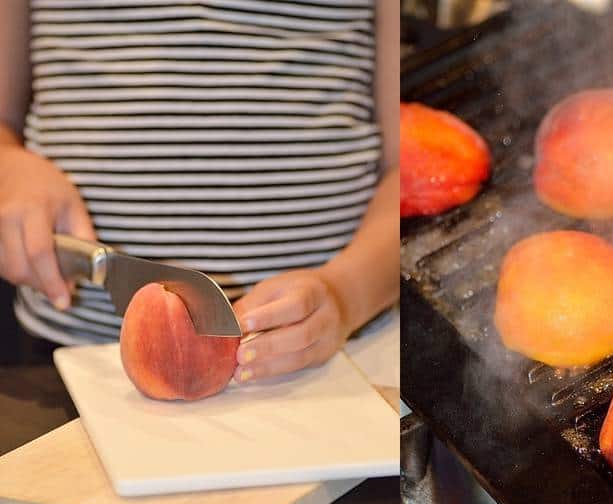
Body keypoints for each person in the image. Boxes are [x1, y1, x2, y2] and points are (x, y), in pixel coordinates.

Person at [0, 0, 398, 381]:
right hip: (69, 356)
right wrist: (9, 168)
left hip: (328, 360)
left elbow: (405, 169)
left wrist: (346, 294)